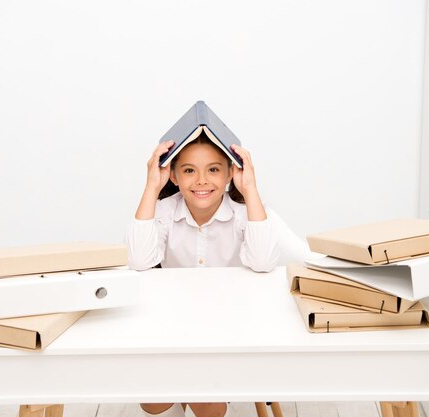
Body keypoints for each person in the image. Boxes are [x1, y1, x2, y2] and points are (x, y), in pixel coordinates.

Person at [125, 133, 309, 417]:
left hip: (231, 329)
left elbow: (262, 261)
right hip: (174, 328)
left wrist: (249, 189)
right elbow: (138, 260)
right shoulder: (163, 211)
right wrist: (151, 186)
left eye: (213, 169)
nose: (201, 180)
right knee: (153, 399)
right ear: (173, 176)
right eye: (189, 171)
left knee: (205, 399)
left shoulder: (245, 213)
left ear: (229, 175)